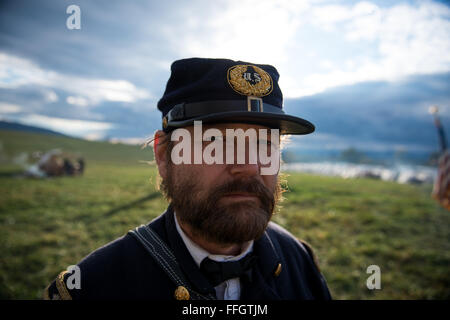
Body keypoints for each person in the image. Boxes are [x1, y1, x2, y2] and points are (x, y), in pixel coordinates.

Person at [44, 58, 331, 300]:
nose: (249, 166)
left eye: (264, 144)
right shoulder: (94, 287)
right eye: (215, 141)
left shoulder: (298, 259)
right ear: (163, 155)